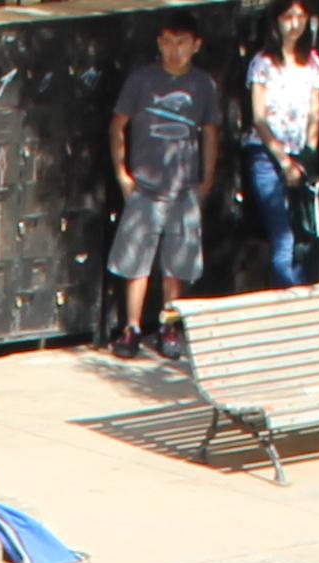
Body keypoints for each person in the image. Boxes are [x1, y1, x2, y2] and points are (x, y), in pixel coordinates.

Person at [107, 16, 226, 359]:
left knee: (176, 267)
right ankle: (131, 328)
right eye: (168, 42)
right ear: (159, 43)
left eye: (182, 42)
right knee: (135, 264)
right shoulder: (142, 79)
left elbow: (210, 132)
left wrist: (206, 178)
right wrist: (122, 173)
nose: (175, 50)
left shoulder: (203, 85)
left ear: (195, 45)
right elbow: (118, 125)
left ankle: (168, 327)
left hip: (183, 187)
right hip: (145, 187)